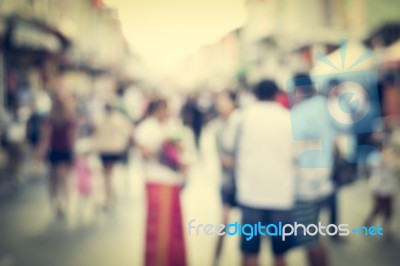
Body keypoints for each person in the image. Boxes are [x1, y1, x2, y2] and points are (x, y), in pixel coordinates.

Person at [224, 80, 295, 266]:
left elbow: (228, 149)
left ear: (254, 93)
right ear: (277, 94)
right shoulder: (289, 118)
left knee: (250, 253)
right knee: (280, 254)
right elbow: (298, 156)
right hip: (281, 196)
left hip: (250, 195)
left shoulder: (241, 117)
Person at [290, 74, 335, 266]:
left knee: (310, 239)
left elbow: (295, 151)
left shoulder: (299, 113)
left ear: (298, 90)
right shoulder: (325, 107)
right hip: (324, 179)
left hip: (305, 185)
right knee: (314, 235)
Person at [136, 99, 187, 266]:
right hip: (156, 180)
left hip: (173, 181)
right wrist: (162, 142)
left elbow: (182, 149)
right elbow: (144, 153)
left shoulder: (173, 126)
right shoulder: (146, 128)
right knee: (159, 226)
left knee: (172, 226)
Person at [37, 92, 77, 219]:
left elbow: (45, 139)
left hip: (55, 151)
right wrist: (74, 153)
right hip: (65, 151)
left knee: (54, 179)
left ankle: (56, 201)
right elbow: (72, 139)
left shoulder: (49, 119)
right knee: (64, 179)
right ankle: (63, 203)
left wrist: (40, 152)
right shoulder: (70, 119)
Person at [213, 91, 238, 263]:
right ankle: (216, 257)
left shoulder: (241, 122)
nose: (222, 108)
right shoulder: (218, 127)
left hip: (244, 181)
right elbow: (224, 160)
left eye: (225, 103)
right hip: (228, 181)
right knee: (224, 219)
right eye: (219, 105)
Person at [93, 103, 133, 210]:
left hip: (105, 149)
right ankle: (110, 194)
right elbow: (127, 131)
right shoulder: (118, 119)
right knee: (109, 173)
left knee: (107, 173)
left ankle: (109, 194)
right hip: (114, 149)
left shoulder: (100, 119)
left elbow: (95, 133)